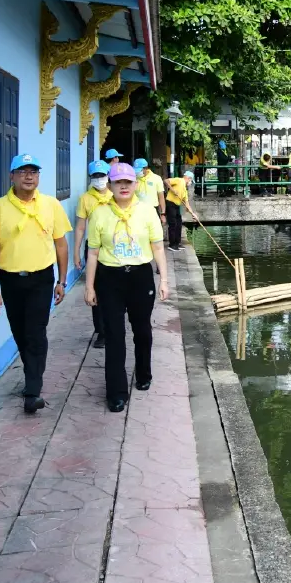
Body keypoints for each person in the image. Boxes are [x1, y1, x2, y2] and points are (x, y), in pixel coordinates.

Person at [0, 154, 72, 414]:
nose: (29, 176)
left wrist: (62, 280)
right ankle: (32, 376)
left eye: (33, 171)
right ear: (12, 176)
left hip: (42, 278)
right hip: (10, 280)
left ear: (39, 176)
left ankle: (32, 391)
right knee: (20, 332)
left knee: (35, 332)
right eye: (22, 171)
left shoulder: (51, 205)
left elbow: (61, 244)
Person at [85, 163, 170, 412]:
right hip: (109, 277)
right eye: (118, 182)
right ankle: (116, 391)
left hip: (140, 277)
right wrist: (89, 286)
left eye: (128, 182)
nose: (123, 186)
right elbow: (92, 253)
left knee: (142, 330)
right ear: (110, 185)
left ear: (135, 184)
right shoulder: (100, 214)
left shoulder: (146, 211)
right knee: (114, 334)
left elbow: (157, 248)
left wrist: (163, 280)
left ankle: (143, 373)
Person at [74, 160, 113, 349]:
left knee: (113, 289)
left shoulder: (116, 194)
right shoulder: (85, 199)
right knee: (96, 288)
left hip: (114, 246)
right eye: (95, 176)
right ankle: (101, 331)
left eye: (102, 175)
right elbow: (81, 227)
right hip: (94, 248)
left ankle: (114, 326)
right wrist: (76, 252)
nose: (99, 179)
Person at [132, 158, 167, 225]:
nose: (137, 172)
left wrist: (163, 214)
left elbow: (161, 197)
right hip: (137, 210)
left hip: (152, 209)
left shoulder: (156, 178)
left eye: (139, 170)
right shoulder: (133, 178)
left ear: (145, 168)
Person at [165, 165, 189, 251]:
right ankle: (172, 244)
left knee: (179, 223)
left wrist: (192, 212)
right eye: (190, 180)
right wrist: (172, 189)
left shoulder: (185, 189)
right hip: (170, 203)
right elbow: (166, 181)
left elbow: (187, 203)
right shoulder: (179, 180)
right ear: (188, 178)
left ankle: (177, 243)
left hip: (176, 205)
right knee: (173, 224)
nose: (190, 182)